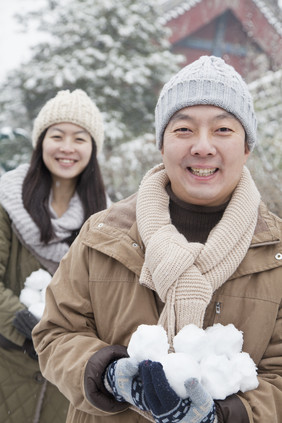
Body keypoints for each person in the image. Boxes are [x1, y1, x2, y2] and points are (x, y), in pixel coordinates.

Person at [33, 56, 282, 423]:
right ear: (161, 144)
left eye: (223, 130)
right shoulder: (104, 235)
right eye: (183, 129)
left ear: (247, 146)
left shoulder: (274, 252)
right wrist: (108, 375)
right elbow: (57, 332)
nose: (202, 146)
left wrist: (221, 417)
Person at [0, 89, 108, 423]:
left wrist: (58, 341)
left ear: (92, 149)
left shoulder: (105, 218)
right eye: (56, 135)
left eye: (80, 138)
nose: (67, 147)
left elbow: (103, 299)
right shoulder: (7, 201)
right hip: (8, 368)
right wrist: (28, 329)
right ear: (40, 142)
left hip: (65, 382)